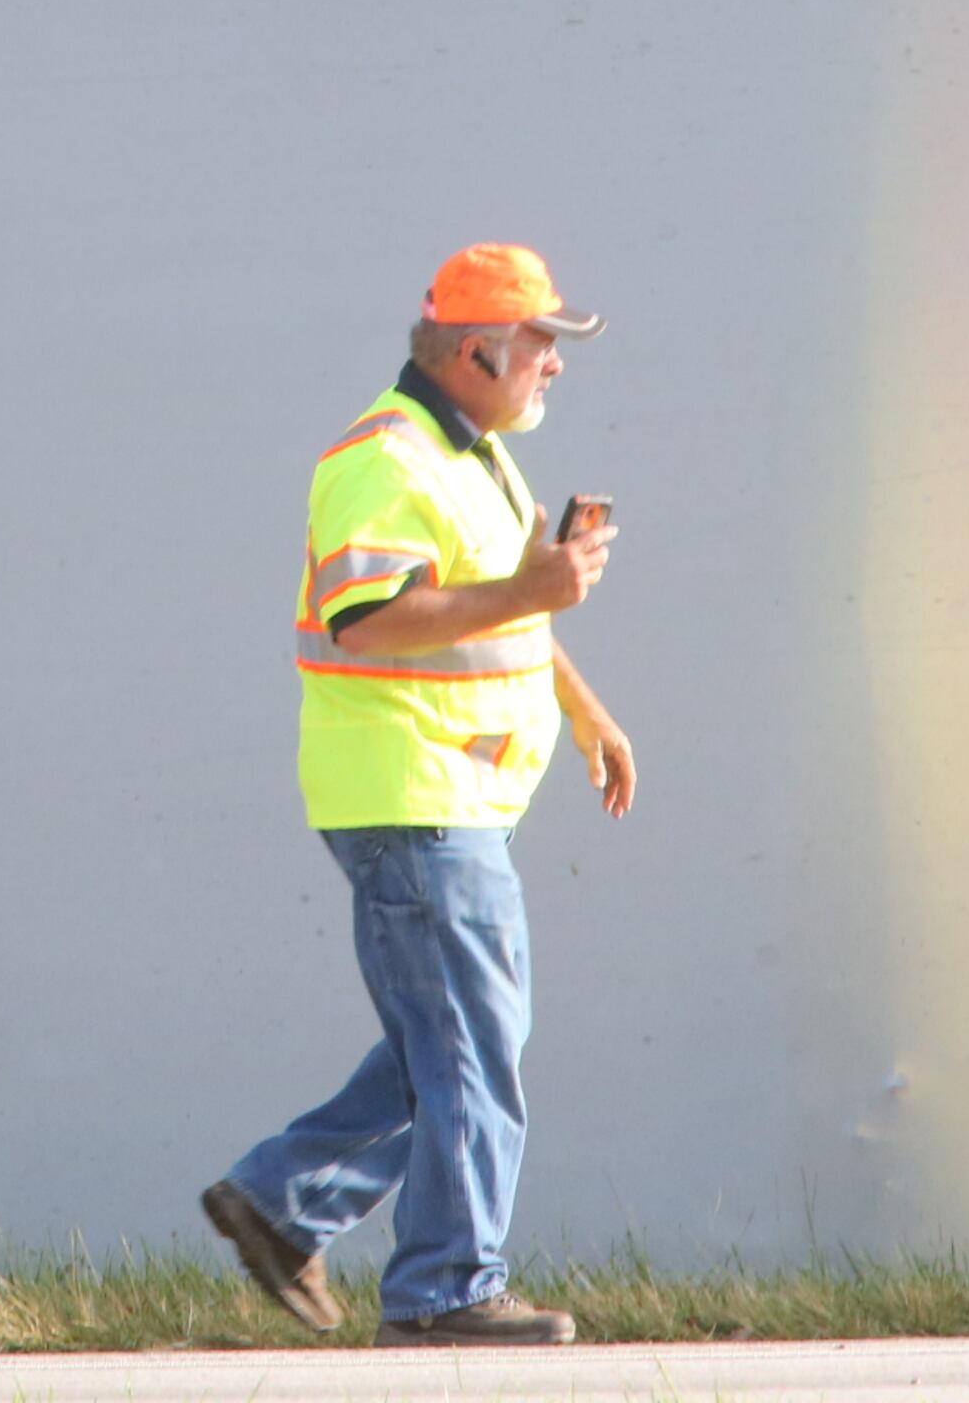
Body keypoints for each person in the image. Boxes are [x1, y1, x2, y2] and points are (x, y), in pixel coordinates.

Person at [198, 242, 635, 1347]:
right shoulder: (385, 460)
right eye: (541, 340)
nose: (554, 364)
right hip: (412, 796)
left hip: (446, 799)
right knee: (472, 1043)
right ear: (474, 346)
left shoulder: (474, 455)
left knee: (453, 1040)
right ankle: (445, 1287)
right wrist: (539, 585)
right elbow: (370, 617)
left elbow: (503, 611)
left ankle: (283, 1199)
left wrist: (583, 707)